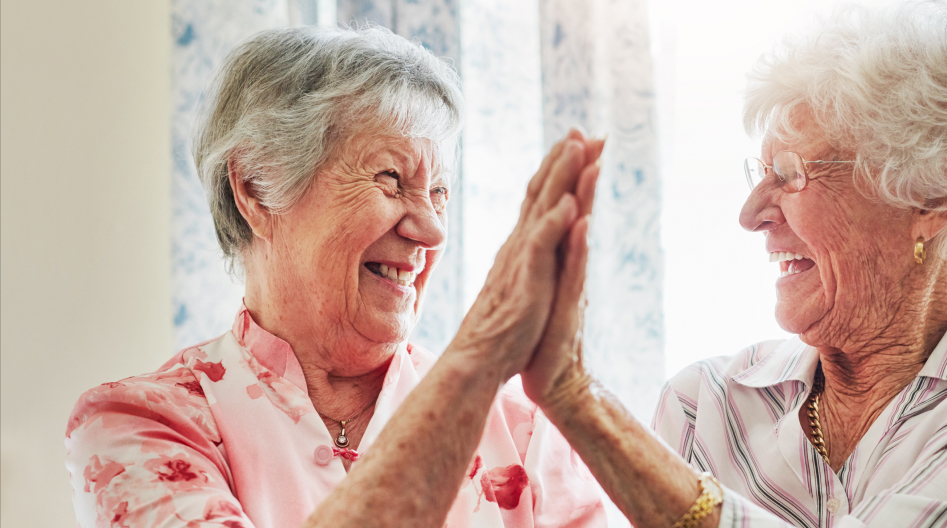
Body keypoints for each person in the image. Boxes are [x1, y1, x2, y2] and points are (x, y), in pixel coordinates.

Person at [518, 2, 947, 527]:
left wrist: (581, 402)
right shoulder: (707, 406)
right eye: (761, 173)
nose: (752, 214)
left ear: (933, 195)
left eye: (792, 173)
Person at [65, 26, 608, 527]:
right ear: (255, 189)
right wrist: (476, 361)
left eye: (439, 192)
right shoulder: (140, 425)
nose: (431, 230)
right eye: (391, 179)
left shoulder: (526, 434)